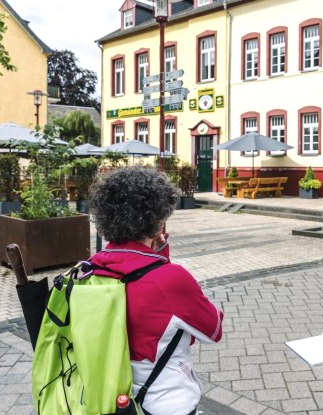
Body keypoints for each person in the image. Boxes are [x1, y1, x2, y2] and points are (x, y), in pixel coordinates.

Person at [88, 166, 224, 415]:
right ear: (159, 222)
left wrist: (158, 255)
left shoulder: (85, 272)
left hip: (107, 399)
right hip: (165, 403)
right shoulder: (171, 280)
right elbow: (213, 329)